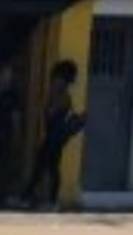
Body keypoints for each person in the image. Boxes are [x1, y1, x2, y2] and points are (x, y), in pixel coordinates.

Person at [22, 59, 85, 208]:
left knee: (44, 167)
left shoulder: (60, 94)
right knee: (49, 167)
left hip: (53, 137)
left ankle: (36, 199)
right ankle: (41, 199)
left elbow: (51, 115)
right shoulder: (63, 94)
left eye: (56, 78)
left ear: (61, 78)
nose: (53, 81)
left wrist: (48, 108)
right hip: (56, 137)